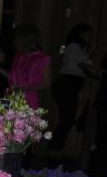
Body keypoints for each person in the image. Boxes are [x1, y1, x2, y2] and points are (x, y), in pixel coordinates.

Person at [50, 22, 99, 150]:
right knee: (67, 119)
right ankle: (54, 149)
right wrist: (95, 70)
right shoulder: (75, 47)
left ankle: (55, 148)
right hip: (67, 84)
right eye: (88, 34)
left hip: (66, 85)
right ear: (81, 34)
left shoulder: (75, 47)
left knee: (66, 119)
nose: (90, 37)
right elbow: (84, 64)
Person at [6, 24, 50, 108]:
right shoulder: (18, 56)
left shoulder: (42, 58)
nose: (15, 41)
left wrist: (26, 88)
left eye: (17, 38)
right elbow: (13, 78)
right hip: (11, 97)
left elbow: (46, 84)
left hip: (29, 101)